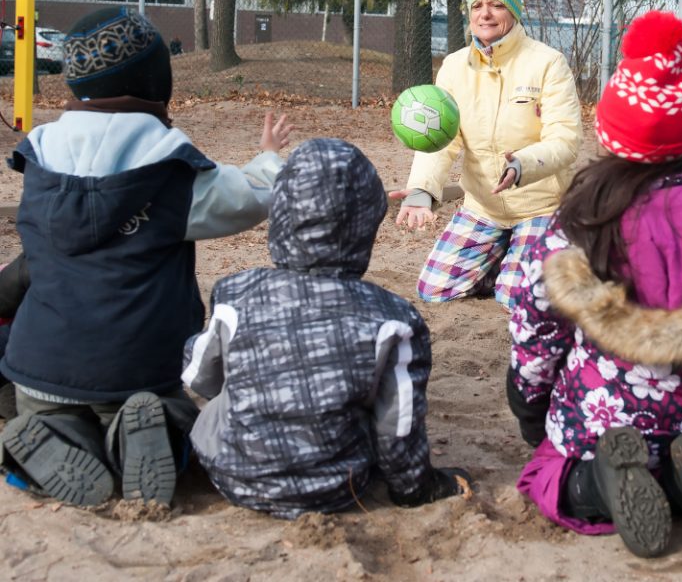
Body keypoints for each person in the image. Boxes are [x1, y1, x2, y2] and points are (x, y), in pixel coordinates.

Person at [0, 6, 292, 508]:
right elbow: (251, 198)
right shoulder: (172, 172)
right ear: (157, 79)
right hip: (140, 369)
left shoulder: (39, 162)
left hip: (41, 366)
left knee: (31, 395)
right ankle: (153, 432)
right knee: (171, 416)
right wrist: (268, 158)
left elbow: (27, 266)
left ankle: (49, 432)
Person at [506, 10, 682, 558]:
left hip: (603, 410)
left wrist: (530, 403)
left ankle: (598, 483)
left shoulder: (580, 221)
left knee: (549, 477)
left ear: (610, 132)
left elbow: (536, 328)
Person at [183, 138, 471, 519]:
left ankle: (172, 445)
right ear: (366, 225)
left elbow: (200, 377)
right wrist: (417, 487)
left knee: (209, 378)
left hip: (232, 473)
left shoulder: (236, 294)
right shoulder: (393, 320)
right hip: (337, 486)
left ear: (281, 215)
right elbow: (397, 428)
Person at [390, 0, 583, 310]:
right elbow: (442, 139)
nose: (485, 13)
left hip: (539, 205)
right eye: (477, 5)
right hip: (483, 208)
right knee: (434, 288)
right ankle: (507, 259)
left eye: (496, 4)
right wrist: (421, 191)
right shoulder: (453, 66)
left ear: (513, 9)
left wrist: (523, 164)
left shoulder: (548, 63)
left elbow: (566, 140)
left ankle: (551, 252)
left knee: (518, 299)